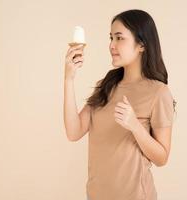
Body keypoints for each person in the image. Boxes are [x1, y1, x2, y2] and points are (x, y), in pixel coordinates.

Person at [64, 9, 177, 200]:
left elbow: (162, 158)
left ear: (141, 44)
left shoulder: (159, 92)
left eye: (119, 38)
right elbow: (73, 132)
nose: (111, 45)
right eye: (111, 38)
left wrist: (134, 125)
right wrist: (68, 79)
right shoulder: (105, 87)